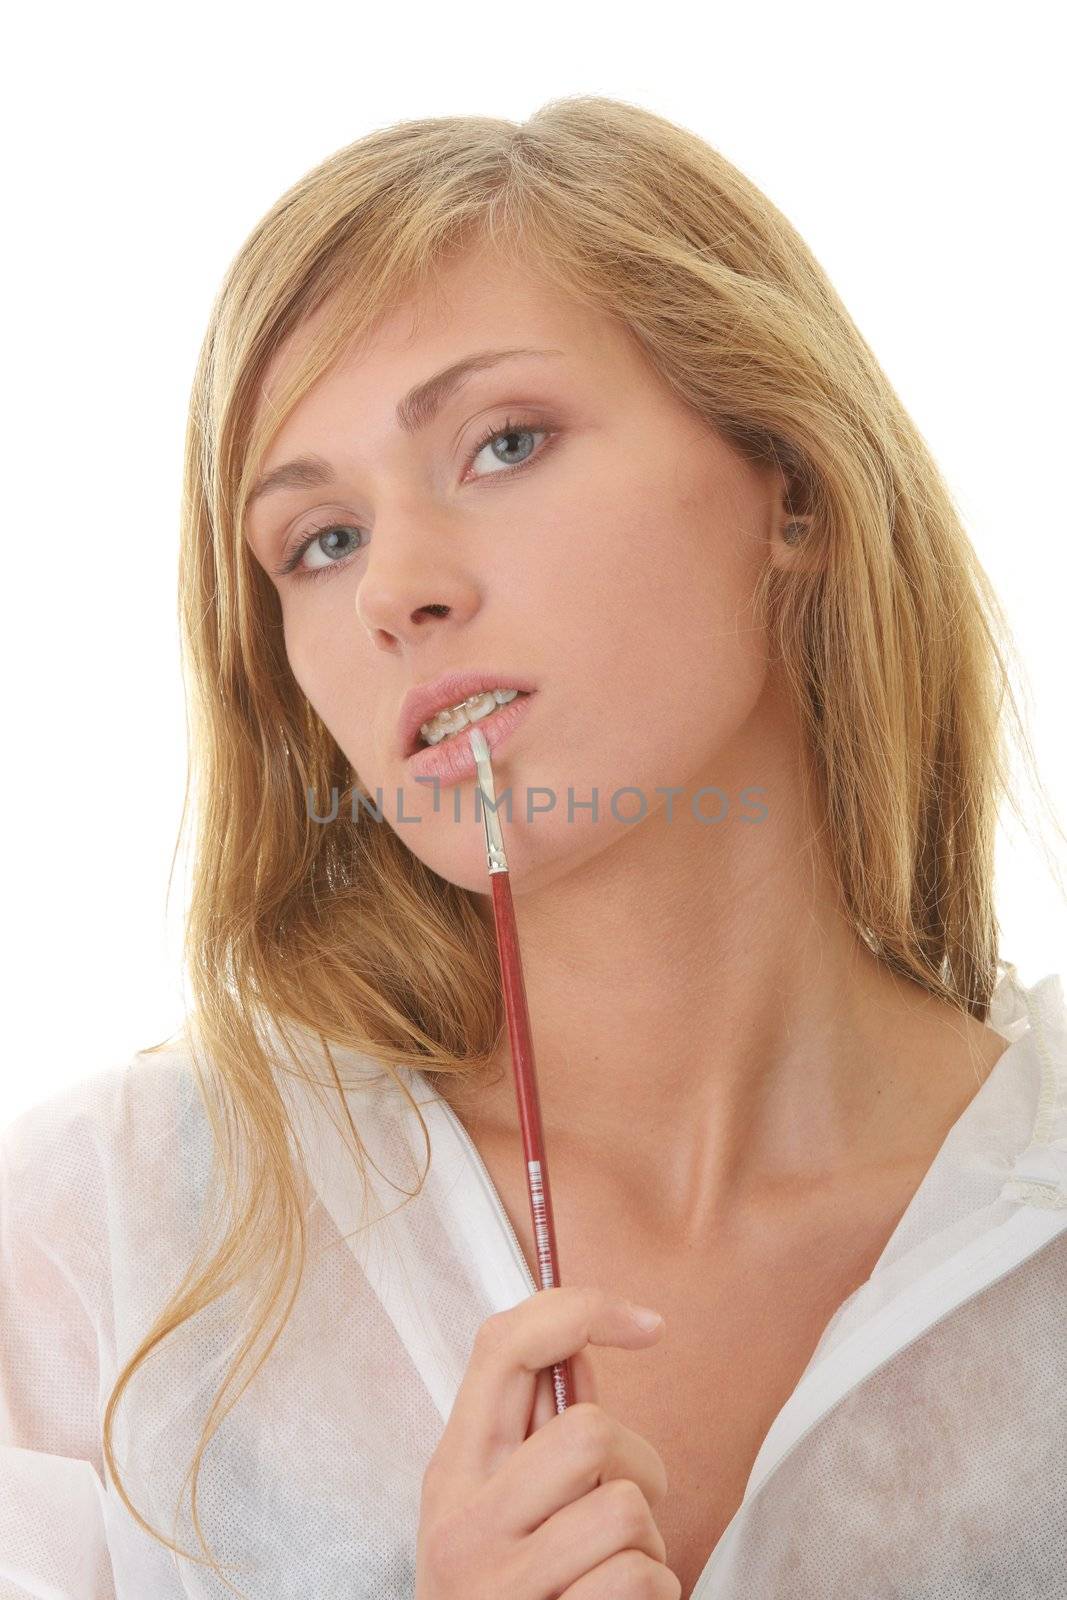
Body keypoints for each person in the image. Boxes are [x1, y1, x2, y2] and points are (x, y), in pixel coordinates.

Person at [2, 96, 1066, 1600]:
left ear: (797, 489)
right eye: (319, 541)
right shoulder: (102, 1246)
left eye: (505, 443)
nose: (397, 593)